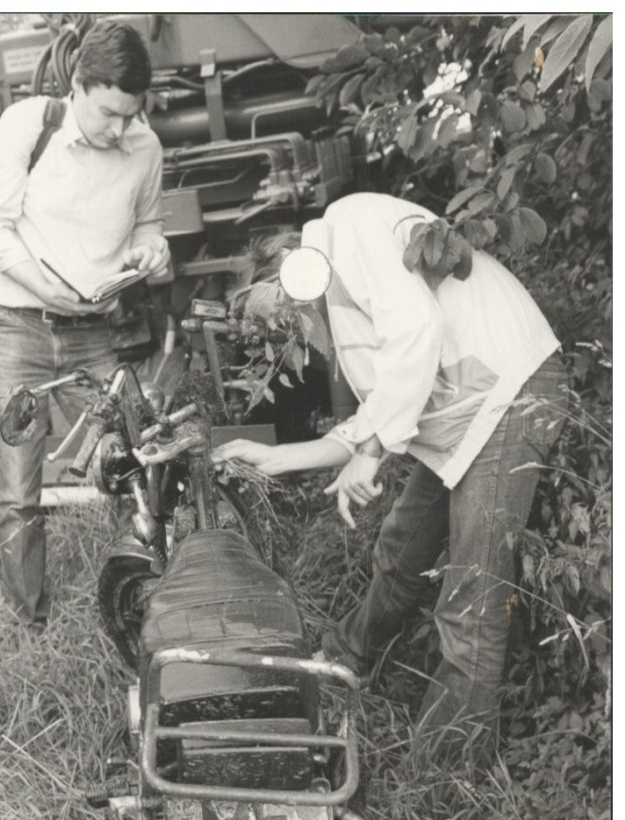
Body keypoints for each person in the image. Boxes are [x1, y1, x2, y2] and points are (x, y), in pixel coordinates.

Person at [213, 192, 568, 758]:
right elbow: (377, 413)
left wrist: (373, 451)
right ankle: (342, 661)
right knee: (400, 548)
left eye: (276, 312)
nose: (285, 328)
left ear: (288, 269)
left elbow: (418, 332)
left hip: (511, 393)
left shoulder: (346, 227)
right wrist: (280, 458)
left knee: (470, 602)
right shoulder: (345, 304)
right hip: (466, 416)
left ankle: (446, 768)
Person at [0, 21, 170, 628]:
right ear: (78, 85)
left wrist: (152, 251)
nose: (119, 130)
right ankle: (32, 624)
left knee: (132, 461)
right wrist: (46, 284)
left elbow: (147, 228)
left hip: (91, 333)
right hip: (13, 326)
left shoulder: (146, 147)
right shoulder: (30, 125)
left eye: (130, 116)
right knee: (18, 490)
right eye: (108, 113)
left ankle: (140, 605)